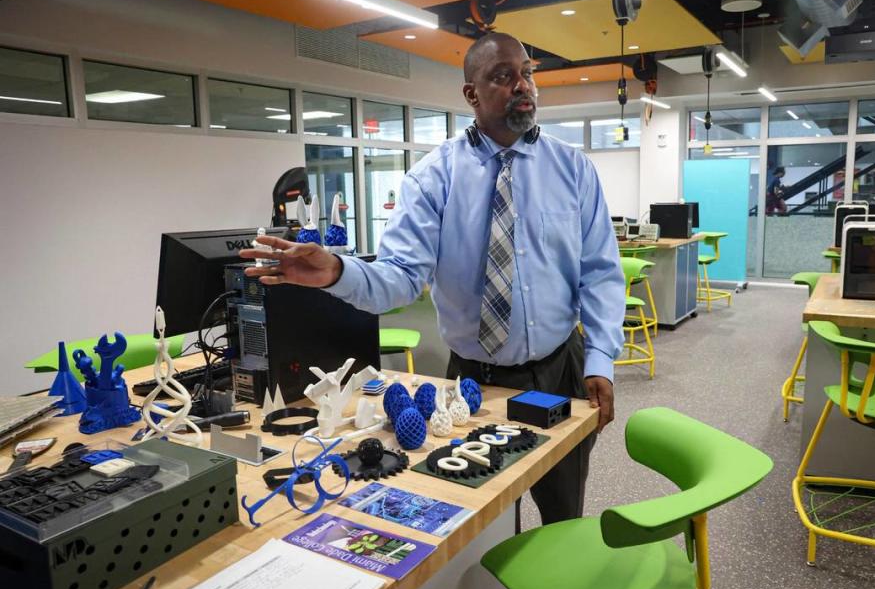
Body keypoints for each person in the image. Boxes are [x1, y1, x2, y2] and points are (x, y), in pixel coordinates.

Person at [241, 32, 625, 525]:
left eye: (527, 72)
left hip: (560, 370)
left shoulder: (573, 169)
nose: (522, 86)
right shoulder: (432, 178)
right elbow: (400, 280)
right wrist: (337, 272)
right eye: (503, 77)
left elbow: (600, 273)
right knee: (471, 517)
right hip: (472, 382)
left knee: (563, 515)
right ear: (472, 94)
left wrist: (600, 359)